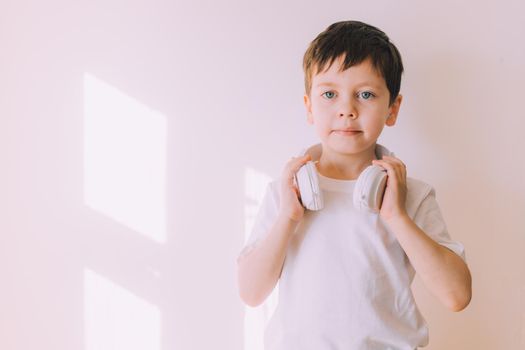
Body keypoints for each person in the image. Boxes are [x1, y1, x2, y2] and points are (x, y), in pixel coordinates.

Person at [236, 20, 472, 350]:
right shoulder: (287, 192)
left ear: (393, 109)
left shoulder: (411, 195)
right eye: (330, 94)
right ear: (309, 107)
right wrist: (287, 219)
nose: (347, 109)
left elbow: (457, 295)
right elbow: (250, 292)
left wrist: (397, 217)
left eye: (366, 94)